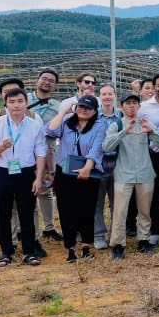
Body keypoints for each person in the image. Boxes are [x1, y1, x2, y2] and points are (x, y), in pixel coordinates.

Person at [0, 87, 48, 266]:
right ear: (5, 104)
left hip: (25, 173)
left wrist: (38, 178)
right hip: (2, 173)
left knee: (27, 214)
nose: (16, 105)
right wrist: (2, 147)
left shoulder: (34, 125)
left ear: (26, 103)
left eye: (20, 101)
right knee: (2, 214)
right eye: (11, 102)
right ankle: (6, 252)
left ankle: (29, 251)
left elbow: (40, 153)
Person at [102, 93, 159, 258]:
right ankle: (118, 244)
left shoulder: (145, 123)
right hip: (123, 173)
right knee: (120, 211)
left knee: (145, 210)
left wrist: (152, 132)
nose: (131, 106)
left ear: (139, 106)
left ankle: (143, 240)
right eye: (128, 103)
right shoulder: (116, 125)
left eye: (135, 103)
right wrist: (124, 132)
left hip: (145, 173)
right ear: (121, 106)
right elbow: (106, 147)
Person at [47, 95, 107, 263]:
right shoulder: (67, 122)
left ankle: (87, 245)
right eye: (81, 106)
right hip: (65, 171)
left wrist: (87, 168)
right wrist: (63, 112)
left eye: (88, 108)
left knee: (86, 210)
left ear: (94, 111)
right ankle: (70, 247)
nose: (84, 110)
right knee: (66, 210)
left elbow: (96, 148)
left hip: (88, 172)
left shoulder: (100, 125)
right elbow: (50, 130)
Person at [27, 70, 62, 247]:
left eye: (51, 81)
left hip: (49, 149)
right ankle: (31, 232)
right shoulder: (24, 99)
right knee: (29, 190)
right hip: (26, 151)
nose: (47, 82)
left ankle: (49, 228)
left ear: (55, 86)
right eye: (44, 79)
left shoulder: (58, 105)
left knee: (47, 188)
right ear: (37, 80)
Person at [138, 74, 159, 244]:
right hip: (154, 155)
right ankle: (155, 229)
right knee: (156, 192)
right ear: (154, 88)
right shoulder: (144, 107)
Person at [93, 84, 123, 249]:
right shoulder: (94, 116)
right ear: (99, 97)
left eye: (110, 94)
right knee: (97, 202)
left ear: (115, 96)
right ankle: (98, 235)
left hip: (118, 162)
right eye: (103, 94)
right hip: (99, 162)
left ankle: (114, 234)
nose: (107, 97)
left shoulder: (121, 116)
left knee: (116, 202)